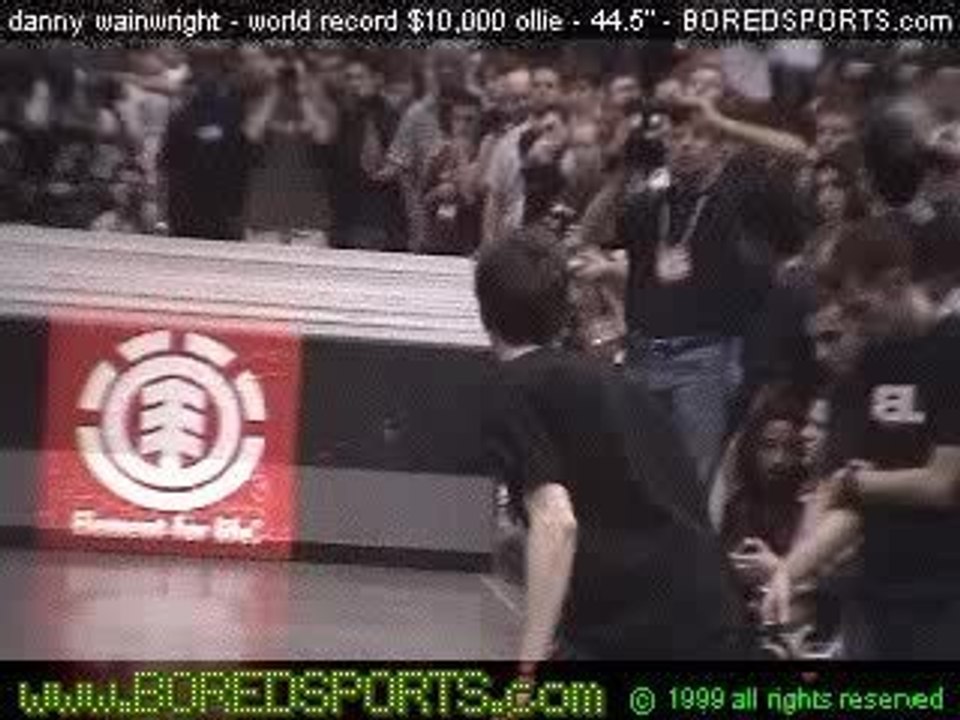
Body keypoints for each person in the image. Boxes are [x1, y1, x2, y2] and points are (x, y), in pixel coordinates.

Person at [477, 228, 752, 663]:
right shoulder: (616, 383)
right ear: (562, 310)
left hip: (645, 629)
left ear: (484, 310)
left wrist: (527, 667)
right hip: (706, 612)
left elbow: (556, 522)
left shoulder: (515, 388)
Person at [763, 217, 960, 659]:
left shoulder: (952, 351)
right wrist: (790, 572)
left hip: (946, 591)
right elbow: (849, 501)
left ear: (897, 282)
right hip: (878, 587)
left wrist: (857, 481)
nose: (856, 325)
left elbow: (943, 483)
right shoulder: (871, 362)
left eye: (861, 309)